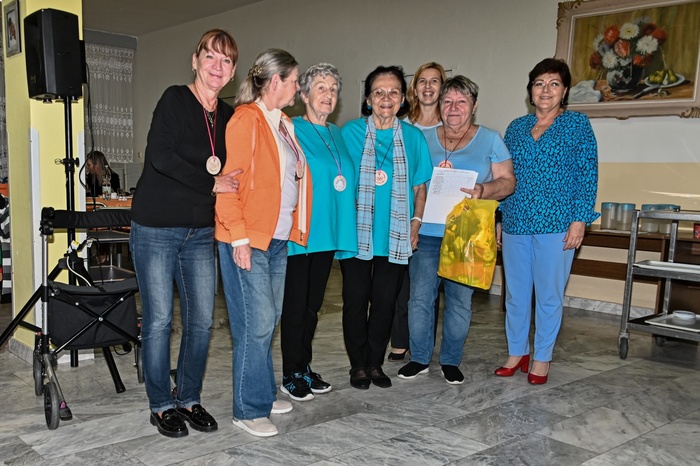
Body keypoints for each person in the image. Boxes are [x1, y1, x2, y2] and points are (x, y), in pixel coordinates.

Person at [129, 29, 240, 438]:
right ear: (195, 61)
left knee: (202, 321)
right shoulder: (174, 99)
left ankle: (188, 397)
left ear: (233, 71)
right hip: (156, 227)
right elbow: (161, 157)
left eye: (226, 60)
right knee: (159, 320)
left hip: (201, 232)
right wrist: (211, 183)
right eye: (210, 56)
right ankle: (161, 404)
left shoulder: (229, 116)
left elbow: (237, 167)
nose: (217, 66)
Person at [215, 48, 312, 437]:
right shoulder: (245, 120)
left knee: (267, 321)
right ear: (275, 81)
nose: (298, 88)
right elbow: (228, 184)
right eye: (294, 81)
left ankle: (262, 392)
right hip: (248, 238)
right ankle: (248, 409)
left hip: (276, 239)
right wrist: (238, 237)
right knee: (255, 323)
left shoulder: (283, 123)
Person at [398, 76, 515, 384]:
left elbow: (508, 182)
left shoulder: (490, 139)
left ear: (473, 106)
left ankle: (451, 360)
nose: (453, 108)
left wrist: (483, 190)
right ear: (440, 105)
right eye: (448, 101)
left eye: (461, 102)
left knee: (459, 302)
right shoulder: (422, 138)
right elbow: (411, 181)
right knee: (419, 299)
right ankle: (419, 358)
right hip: (426, 232)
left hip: (467, 236)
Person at [495, 58, 599, 384]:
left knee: (549, 295)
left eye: (554, 84)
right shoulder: (516, 127)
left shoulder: (577, 124)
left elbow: (587, 175)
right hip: (516, 220)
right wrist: (499, 217)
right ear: (530, 90)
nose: (545, 90)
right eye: (539, 83)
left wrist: (580, 219)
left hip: (557, 224)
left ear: (564, 90)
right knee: (515, 295)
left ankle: (541, 357)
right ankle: (517, 352)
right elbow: (505, 177)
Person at [340, 65, 432, 390]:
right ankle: (357, 365)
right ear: (368, 99)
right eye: (378, 92)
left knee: (384, 303)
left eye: (394, 92)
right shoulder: (349, 133)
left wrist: (416, 223)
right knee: (355, 301)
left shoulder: (413, 137)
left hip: (395, 235)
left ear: (403, 98)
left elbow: (420, 187)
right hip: (355, 234)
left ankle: (374, 363)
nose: (386, 98)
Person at [279, 63, 357, 401]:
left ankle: (304, 366)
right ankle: (290, 373)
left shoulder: (337, 133)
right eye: (321, 88)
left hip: (327, 232)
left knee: (312, 306)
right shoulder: (290, 128)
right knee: (295, 306)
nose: (328, 94)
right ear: (304, 94)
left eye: (333, 89)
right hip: (301, 231)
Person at [388, 62, 448, 363]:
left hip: (436, 218)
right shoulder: (400, 125)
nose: (428, 86)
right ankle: (400, 340)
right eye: (422, 81)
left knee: (426, 286)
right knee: (401, 283)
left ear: (442, 87)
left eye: (434, 81)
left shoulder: (450, 126)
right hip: (402, 212)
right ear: (414, 88)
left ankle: (420, 343)